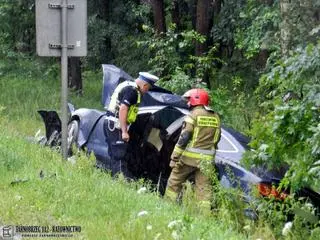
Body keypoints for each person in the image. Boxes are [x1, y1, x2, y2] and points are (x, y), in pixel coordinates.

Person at [164, 88, 221, 213]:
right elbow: (217, 138)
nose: (188, 103)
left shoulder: (193, 115)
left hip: (189, 159)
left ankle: (167, 207)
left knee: (174, 181)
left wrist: (174, 157)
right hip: (207, 161)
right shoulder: (216, 116)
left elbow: (184, 138)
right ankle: (204, 216)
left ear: (197, 99)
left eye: (189, 100)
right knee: (204, 190)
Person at [103, 72, 159, 177]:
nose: (147, 91)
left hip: (110, 122)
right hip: (116, 125)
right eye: (148, 88)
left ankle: (115, 180)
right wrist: (124, 131)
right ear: (145, 85)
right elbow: (123, 109)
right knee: (120, 156)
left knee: (115, 156)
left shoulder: (128, 85)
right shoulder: (132, 91)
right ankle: (122, 182)